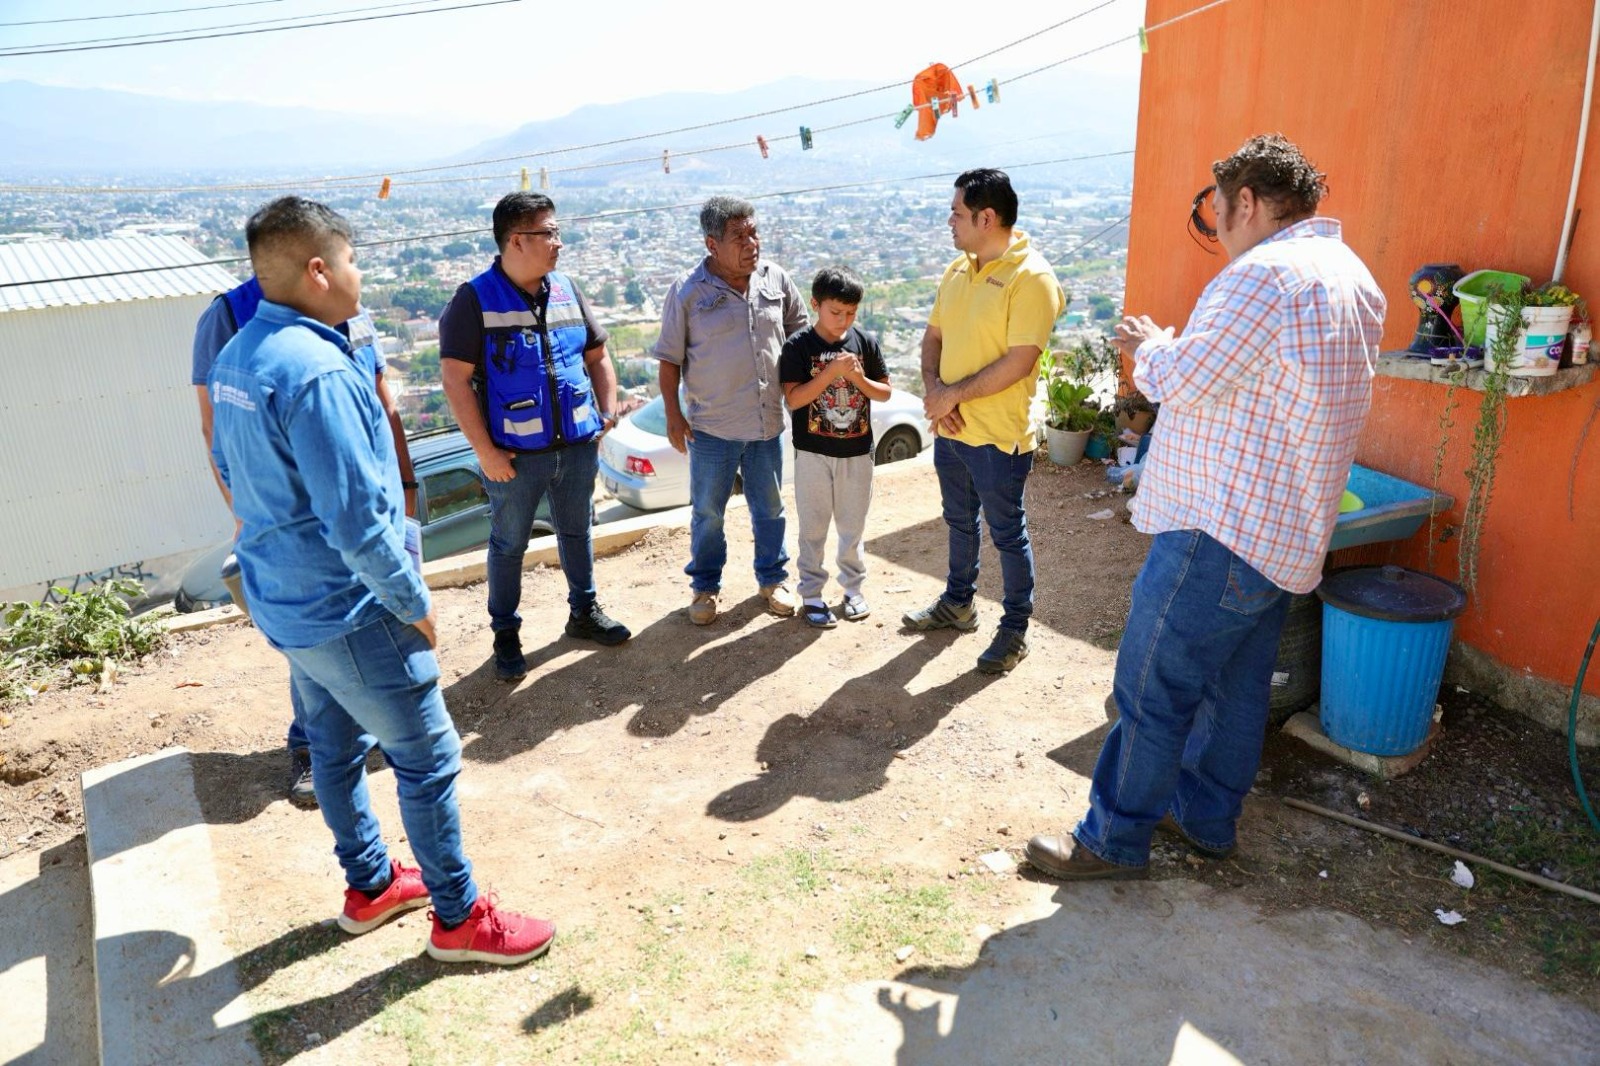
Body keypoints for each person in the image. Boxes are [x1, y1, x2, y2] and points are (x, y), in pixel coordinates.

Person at [1025, 133, 1386, 881]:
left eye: (1216, 214)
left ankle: (1112, 840)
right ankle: (1205, 819)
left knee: (1154, 684)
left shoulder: (1264, 276)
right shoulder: (1351, 275)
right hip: (1286, 533)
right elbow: (1249, 381)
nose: (1217, 231)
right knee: (1235, 694)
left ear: (1247, 203)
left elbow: (1181, 381)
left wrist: (1154, 345)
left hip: (1220, 526)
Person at [210, 195, 554, 963]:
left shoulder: (237, 358)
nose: (362, 272)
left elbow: (232, 473)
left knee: (332, 748)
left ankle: (370, 886)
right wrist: (413, 602)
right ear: (319, 269)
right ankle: (460, 920)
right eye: (355, 257)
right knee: (426, 758)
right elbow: (358, 521)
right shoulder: (317, 371)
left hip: (287, 601)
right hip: (350, 607)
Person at [193, 276, 416, 809]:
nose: (353, 268)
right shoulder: (229, 315)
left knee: (378, 620)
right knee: (316, 640)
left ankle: (374, 732)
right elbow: (213, 428)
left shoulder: (348, 307)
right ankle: (314, 750)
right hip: (299, 524)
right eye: (345, 256)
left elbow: (385, 403)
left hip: (374, 506)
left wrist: (404, 485)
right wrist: (246, 517)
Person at [440, 192, 630, 683]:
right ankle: (506, 634)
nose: (559, 243)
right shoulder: (475, 299)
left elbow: (597, 355)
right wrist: (485, 452)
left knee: (577, 532)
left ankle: (583, 613)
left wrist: (605, 413)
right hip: (514, 457)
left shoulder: (567, 288)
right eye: (549, 233)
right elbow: (455, 380)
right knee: (508, 546)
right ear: (517, 240)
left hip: (576, 446)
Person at [903, 168, 1065, 674]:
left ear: (986, 217)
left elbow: (1020, 361)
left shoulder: (1031, 277)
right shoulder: (958, 268)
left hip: (996, 437)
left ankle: (1015, 629)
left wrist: (951, 395)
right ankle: (959, 602)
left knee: (1006, 534)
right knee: (958, 521)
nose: (949, 221)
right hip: (951, 430)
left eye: (956, 212)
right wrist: (937, 395)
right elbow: (933, 338)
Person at [654, 196, 809, 625]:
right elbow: (668, 360)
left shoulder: (775, 278)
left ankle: (773, 579)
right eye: (739, 236)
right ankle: (705, 588)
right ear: (712, 244)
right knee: (708, 512)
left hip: (766, 423)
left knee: (771, 508)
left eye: (754, 232)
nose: (751, 242)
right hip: (712, 429)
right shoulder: (688, 292)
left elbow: (801, 334)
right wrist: (673, 414)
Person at [778, 266, 890, 628]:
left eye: (851, 313)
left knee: (852, 527)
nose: (843, 320)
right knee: (813, 526)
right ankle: (811, 593)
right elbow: (793, 400)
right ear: (815, 304)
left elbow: (884, 392)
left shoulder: (865, 342)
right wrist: (831, 373)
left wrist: (857, 377)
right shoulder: (798, 346)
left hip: (857, 452)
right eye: (835, 312)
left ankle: (853, 590)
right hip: (812, 453)